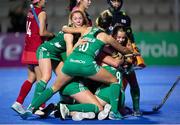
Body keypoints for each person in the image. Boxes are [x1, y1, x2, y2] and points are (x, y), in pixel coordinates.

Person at [20, 13, 133, 120]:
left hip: (71, 62)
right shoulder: (107, 37)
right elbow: (123, 50)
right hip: (86, 64)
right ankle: (114, 112)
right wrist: (130, 52)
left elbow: (65, 29)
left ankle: (31, 107)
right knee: (113, 81)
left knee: (54, 87)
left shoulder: (87, 29)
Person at [11, 0, 55, 114]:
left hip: (28, 48)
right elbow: (42, 33)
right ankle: (40, 107)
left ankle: (18, 102)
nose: (46, 0)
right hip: (36, 49)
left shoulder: (31, 11)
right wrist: (52, 34)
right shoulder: (42, 13)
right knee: (42, 79)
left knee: (31, 78)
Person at [96, 0, 145, 68]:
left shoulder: (125, 17)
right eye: (114, 1)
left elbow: (129, 36)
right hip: (107, 49)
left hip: (122, 50)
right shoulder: (103, 16)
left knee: (128, 71)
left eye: (118, 1)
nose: (116, 3)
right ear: (109, 1)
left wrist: (134, 49)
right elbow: (99, 35)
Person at [111, 24, 142, 116]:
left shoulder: (128, 42)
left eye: (123, 38)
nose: (121, 40)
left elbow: (130, 59)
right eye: (118, 37)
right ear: (114, 36)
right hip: (114, 69)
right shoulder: (109, 41)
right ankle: (116, 107)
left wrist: (129, 59)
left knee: (134, 84)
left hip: (126, 68)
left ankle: (136, 109)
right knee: (119, 89)